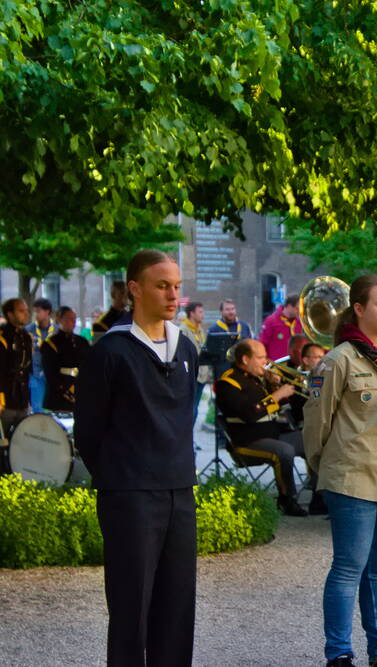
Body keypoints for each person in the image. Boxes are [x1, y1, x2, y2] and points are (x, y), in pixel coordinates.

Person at [74, 249, 199, 666]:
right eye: (162, 285)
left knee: (177, 607)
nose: (173, 295)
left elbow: (186, 414)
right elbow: (89, 431)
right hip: (129, 495)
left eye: (177, 286)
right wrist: (122, 475)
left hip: (180, 490)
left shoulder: (186, 348)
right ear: (135, 289)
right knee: (131, 611)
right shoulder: (111, 351)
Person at [303, 275, 377, 667]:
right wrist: (326, 468)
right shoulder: (338, 361)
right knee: (349, 567)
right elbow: (316, 423)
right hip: (352, 477)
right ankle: (338, 653)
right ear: (359, 309)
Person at [214, 338, 309, 516]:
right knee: (284, 451)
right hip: (248, 441)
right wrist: (276, 395)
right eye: (260, 358)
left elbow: (278, 408)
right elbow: (250, 414)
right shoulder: (228, 383)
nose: (266, 362)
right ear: (245, 359)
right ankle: (287, 500)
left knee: (312, 440)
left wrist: (273, 384)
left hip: (273, 434)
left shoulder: (257, 379)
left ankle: (321, 496)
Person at [40, 307, 89, 412]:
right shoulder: (51, 343)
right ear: (59, 320)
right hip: (59, 396)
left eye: (74, 319)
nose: (73, 322)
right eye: (69, 319)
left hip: (80, 393)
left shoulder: (82, 342)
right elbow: (51, 373)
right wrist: (66, 389)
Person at [0, 298, 33, 440]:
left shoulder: (26, 337)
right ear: (10, 314)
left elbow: (26, 368)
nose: (26, 314)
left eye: (26, 310)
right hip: (5, 399)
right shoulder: (2, 337)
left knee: (20, 442)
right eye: (21, 311)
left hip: (22, 398)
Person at [203, 298, 253, 380]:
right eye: (227, 309)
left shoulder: (244, 326)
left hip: (243, 370)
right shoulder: (214, 329)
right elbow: (209, 352)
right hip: (222, 372)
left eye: (233, 309)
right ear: (221, 312)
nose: (231, 312)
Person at [179, 301, 212, 422]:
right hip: (191, 376)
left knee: (195, 409)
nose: (203, 315)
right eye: (200, 312)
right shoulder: (184, 330)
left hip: (202, 375)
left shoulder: (200, 330)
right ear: (192, 314)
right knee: (190, 410)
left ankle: (190, 437)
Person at [27, 297, 55, 414]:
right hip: (36, 373)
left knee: (51, 408)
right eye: (34, 311)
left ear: (47, 311)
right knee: (37, 408)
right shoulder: (29, 330)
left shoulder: (57, 331)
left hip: (52, 374)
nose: (35, 314)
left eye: (38, 311)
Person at [260, 294, 303, 361]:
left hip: (295, 365)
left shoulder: (300, 323)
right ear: (289, 306)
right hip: (276, 365)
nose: (299, 312)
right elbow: (263, 344)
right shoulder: (271, 321)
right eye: (297, 309)